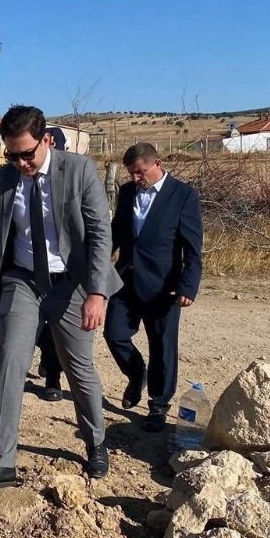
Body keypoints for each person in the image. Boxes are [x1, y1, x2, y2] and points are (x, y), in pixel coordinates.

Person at [0, 105, 122, 494]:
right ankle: (1, 462)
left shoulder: (79, 170)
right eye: (11, 155)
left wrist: (97, 293)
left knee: (78, 368)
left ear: (46, 140)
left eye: (27, 154)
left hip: (71, 283)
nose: (20, 163)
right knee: (10, 362)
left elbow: (100, 234)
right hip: (22, 280)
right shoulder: (4, 179)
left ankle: (95, 441)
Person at [104, 143, 203, 433]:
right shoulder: (126, 192)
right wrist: (98, 258)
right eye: (132, 173)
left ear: (157, 164)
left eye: (141, 172)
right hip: (126, 280)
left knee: (162, 347)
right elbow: (117, 231)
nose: (136, 178)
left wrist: (188, 286)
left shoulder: (183, 195)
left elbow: (193, 247)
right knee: (114, 334)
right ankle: (137, 374)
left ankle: (158, 406)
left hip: (164, 285)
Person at [33, 125, 70, 403]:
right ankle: (47, 355)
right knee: (34, 325)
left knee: (56, 324)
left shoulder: (75, 176)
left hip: (64, 269)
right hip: (30, 267)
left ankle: (53, 376)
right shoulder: (23, 176)